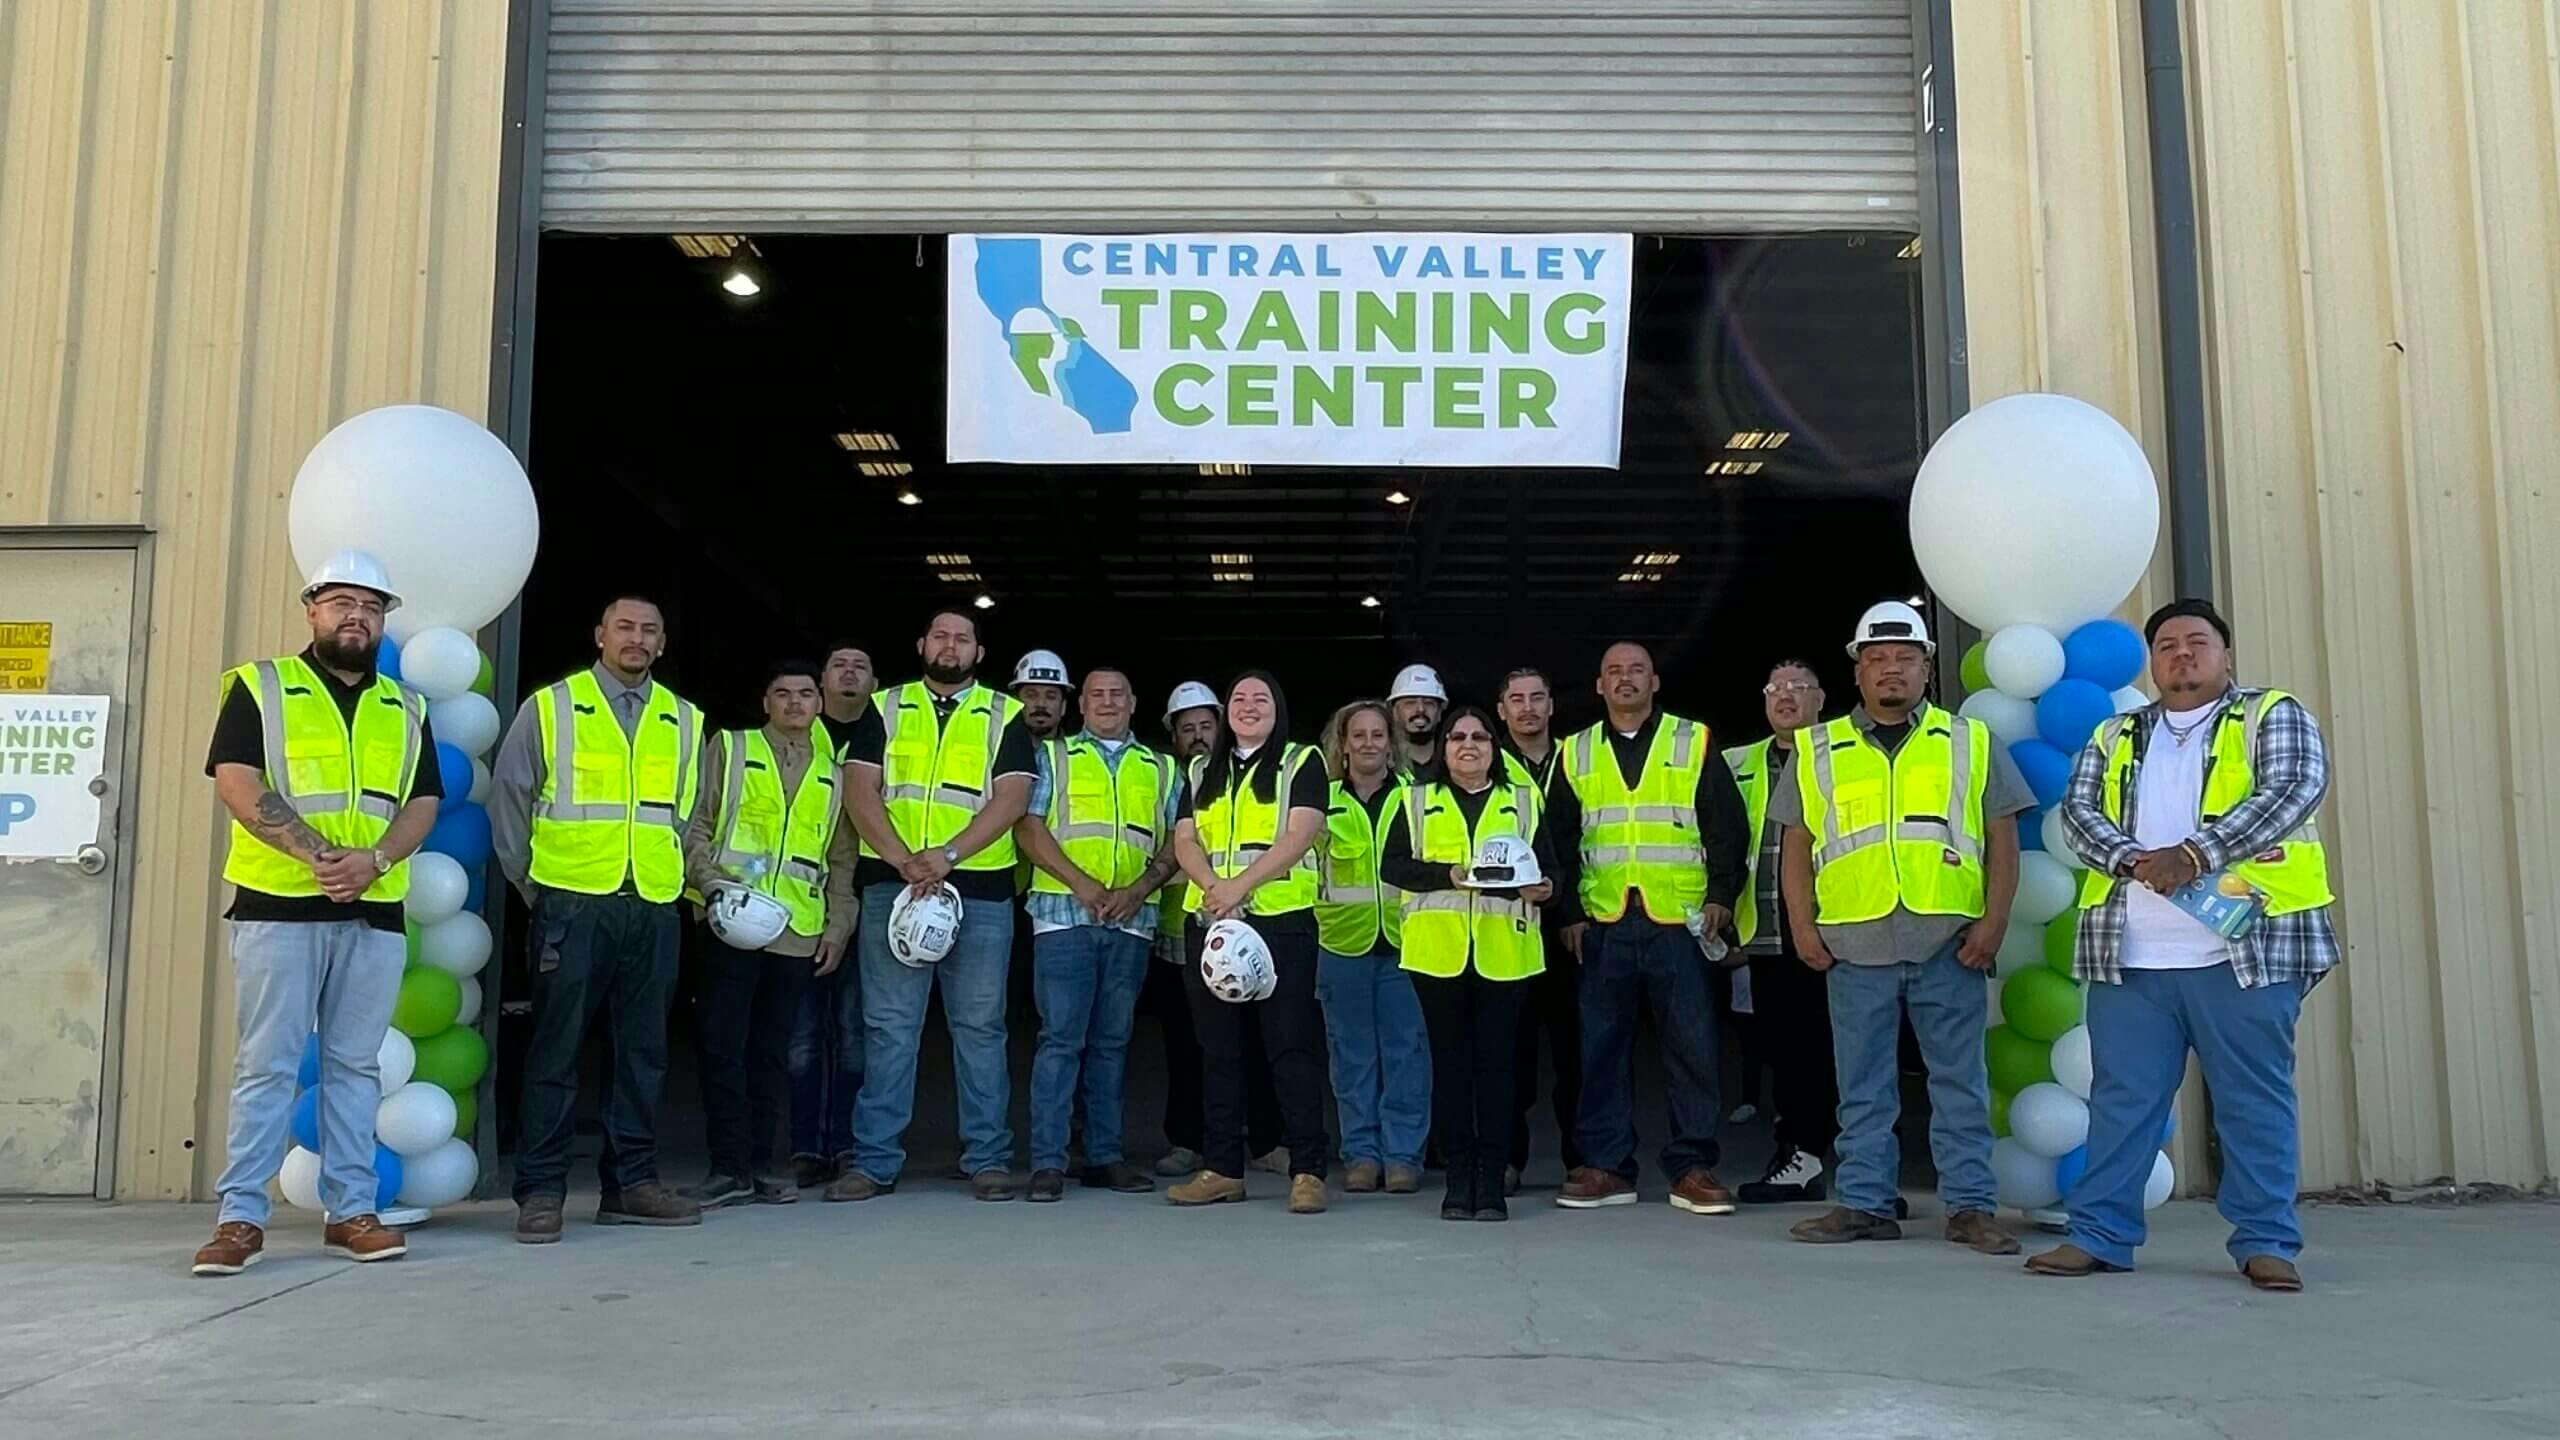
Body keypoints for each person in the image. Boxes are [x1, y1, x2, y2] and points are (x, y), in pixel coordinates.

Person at [2028, 599, 2337, 1292]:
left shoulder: (2271, 714)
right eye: (2167, 645)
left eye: (2198, 642)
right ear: (2153, 661)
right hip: (2133, 955)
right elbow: (2078, 815)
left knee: (2253, 1103)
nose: (2182, 654)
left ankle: (2266, 1242)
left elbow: (2294, 789)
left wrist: (2194, 855)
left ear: (2226, 655)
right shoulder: (2116, 734)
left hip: (2246, 951)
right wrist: (2136, 862)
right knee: (2121, 1103)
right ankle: (2100, 1235)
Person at [192, 552, 439, 1275]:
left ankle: (352, 1210)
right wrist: (320, 856)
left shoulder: (408, 707)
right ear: (311, 610)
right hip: (279, 903)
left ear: (384, 620)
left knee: (354, 1067)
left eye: (370, 605)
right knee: (266, 1065)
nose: (355, 615)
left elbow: (423, 802)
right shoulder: (261, 687)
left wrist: (377, 861)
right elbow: (237, 781)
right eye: (340, 602)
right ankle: (240, 1218)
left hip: (374, 909)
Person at [1771, 601, 2029, 1255]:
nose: (1892, 670)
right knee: (1862, 1085)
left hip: (1949, 942)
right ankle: (1864, 1203)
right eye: (1878, 659)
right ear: (1857, 672)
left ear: (1927, 668)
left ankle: (1970, 1208)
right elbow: (1796, 846)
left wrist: (1994, 922)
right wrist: (1802, 926)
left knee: (1958, 1082)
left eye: (1905, 658)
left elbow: (2003, 836)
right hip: (1853, 943)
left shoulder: (1969, 741)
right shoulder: (1817, 747)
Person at [489, 594, 708, 1242]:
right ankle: (541, 1192)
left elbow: (691, 816)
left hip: (653, 906)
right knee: (555, 1053)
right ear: (600, 634)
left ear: (662, 643)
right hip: (572, 904)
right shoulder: (553, 707)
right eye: (625, 627)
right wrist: (535, 886)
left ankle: (630, 1184)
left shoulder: (685, 719)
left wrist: (678, 888)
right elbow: (511, 796)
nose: (636, 639)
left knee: (643, 1054)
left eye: (649, 629)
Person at [829, 607, 1037, 1203]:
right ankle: (874, 1162)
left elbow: (1013, 798)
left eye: (962, 638)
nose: (951, 645)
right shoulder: (884, 706)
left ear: (979, 652)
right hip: (894, 885)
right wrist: (903, 862)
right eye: (941, 635)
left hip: (978, 891)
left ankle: (989, 1159)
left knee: (980, 1028)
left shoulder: (1007, 714)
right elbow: (860, 792)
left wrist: (945, 856)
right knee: (889, 1028)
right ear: (922, 643)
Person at [1546, 642, 1750, 1214]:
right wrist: (1571, 916)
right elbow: (1558, 840)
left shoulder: (1693, 740)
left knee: (1693, 1048)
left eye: (1636, 670)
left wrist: (1721, 898)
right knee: (1600, 1050)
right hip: (1604, 922)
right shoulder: (1576, 751)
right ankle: (1608, 1166)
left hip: (1679, 922)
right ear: (1599, 685)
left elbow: (1725, 828)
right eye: (1614, 671)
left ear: (1655, 681)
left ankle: (1692, 1167)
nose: (1625, 679)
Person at [680, 660, 860, 1208]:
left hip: (796, 932)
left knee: (773, 1053)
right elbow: (697, 823)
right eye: (783, 694)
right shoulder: (730, 749)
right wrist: (710, 884)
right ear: (766, 703)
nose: (795, 704)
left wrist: (838, 925)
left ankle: (759, 1167)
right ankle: (727, 1166)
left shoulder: (836, 772)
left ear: (819, 703)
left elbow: (842, 858)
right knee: (722, 1045)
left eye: (805, 694)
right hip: (729, 922)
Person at [1385, 705, 1569, 1222]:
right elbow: (1393, 866)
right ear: (1443, 749)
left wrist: (1547, 889)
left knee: (1498, 1070)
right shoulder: (1416, 799)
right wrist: (1450, 874)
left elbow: (1553, 871)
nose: (1469, 745)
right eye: (1458, 737)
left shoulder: (1525, 799)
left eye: (1481, 737)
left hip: (1505, 953)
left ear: (1496, 747)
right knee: (1449, 1070)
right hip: (1436, 953)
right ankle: (1457, 1179)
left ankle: (1491, 1182)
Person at [1166, 672, 1334, 1213]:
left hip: (1280, 922)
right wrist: (1216, 889)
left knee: (1290, 1048)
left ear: (1277, 709)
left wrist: (1239, 886)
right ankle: (1221, 1170)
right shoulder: (1199, 768)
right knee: (1219, 1051)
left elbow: (1301, 832)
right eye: (1238, 698)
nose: (1248, 706)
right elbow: (1185, 838)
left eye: (1261, 698)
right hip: (1214, 922)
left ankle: (1308, 1170)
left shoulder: (1301, 761)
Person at [1014, 665, 1183, 1201]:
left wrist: (1140, 888)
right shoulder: (1052, 756)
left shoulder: (1161, 767)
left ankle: (1104, 1158)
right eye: (1096, 695)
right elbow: (1028, 827)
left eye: (1118, 693)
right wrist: (1082, 883)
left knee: (1112, 1041)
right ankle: (1048, 1161)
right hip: (1063, 913)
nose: (1108, 702)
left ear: (1134, 703)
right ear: (1079, 706)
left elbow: (1180, 839)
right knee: (1061, 1039)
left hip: (1132, 919)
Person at [1142, 682, 1286, 1177]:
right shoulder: (1174, 777)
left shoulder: (1241, 773)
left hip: (1250, 921)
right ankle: (1188, 1141)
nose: (1200, 737)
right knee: (1189, 1046)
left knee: (1259, 1042)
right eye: (1189, 729)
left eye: (1207, 726)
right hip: (1184, 929)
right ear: (1175, 736)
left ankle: (1265, 1139)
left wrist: (1231, 892)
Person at [1726, 658, 1840, 1205]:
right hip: (1765, 935)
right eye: (1775, 688)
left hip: (1834, 932)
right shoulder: (1737, 762)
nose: (1786, 697)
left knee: (1842, 1052)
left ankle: (1841, 1158)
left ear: (1822, 699)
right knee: (1787, 1053)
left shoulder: (1844, 754)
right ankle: (1800, 1153)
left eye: (1799, 687)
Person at [1313, 700, 1429, 1195]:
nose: (1367, 743)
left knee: (1408, 1052)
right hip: (1341, 942)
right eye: (1356, 735)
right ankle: (1361, 1154)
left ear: (1391, 741)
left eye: (1377, 734)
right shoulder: (1321, 802)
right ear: (1341, 743)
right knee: (1351, 1056)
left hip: (1410, 942)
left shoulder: (1420, 798)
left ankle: (1402, 1156)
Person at [788, 641, 878, 1187]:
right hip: (801, 907)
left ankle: (847, 1145)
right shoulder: (798, 737)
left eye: (860, 666)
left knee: (854, 1033)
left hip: (869, 898)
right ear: (821, 681)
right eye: (839, 664)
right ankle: (804, 1148)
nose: (849, 672)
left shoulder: (888, 732)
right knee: (801, 1036)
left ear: (875, 683)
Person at [1498, 665, 1580, 1194]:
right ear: (1501, 710)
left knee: (1578, 1052)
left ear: (1551, 705)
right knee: (1511, 1050)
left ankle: (1583, 1160)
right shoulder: (1485, 759)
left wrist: (1573, 912)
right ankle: (1508, 1159)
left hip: (1572, 926)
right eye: (1516, 700)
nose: (1527, 708)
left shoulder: (1580, 758)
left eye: (1537, 698)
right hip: (1509, 925)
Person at [1386, 663, 1447, 774]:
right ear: (1394, 712)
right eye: (1410, 703)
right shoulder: (1381, 767)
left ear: (1439, 713)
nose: (1420, 709)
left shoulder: (1453, 767)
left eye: (1429, 703)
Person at [1011, 648, 1071, 742]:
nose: (1041, 704)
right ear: (1014, 702)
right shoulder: (993, 750)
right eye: (1031, 695)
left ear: (1063, 706)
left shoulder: (1082, 754)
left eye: (1050, 696)